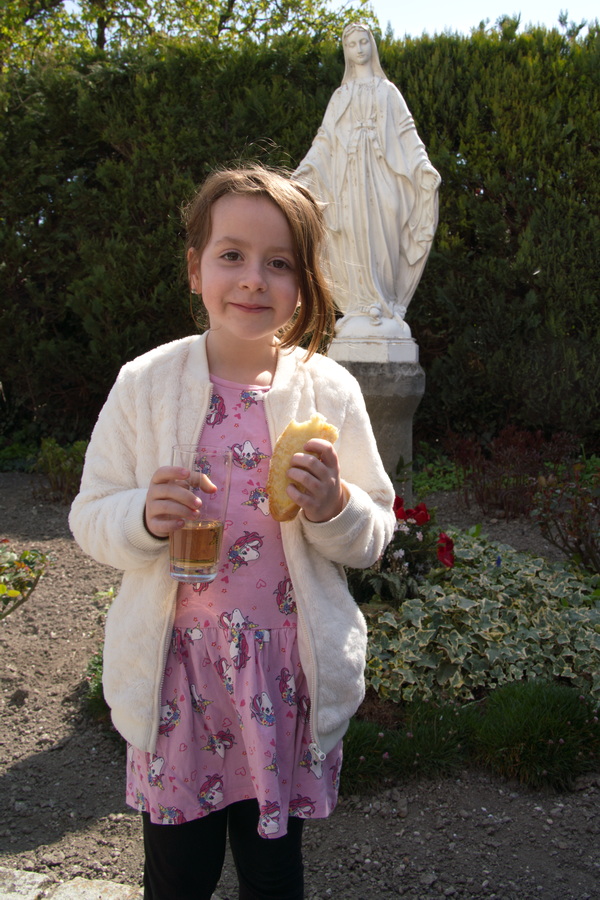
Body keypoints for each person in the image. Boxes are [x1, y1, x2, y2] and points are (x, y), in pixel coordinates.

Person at [69, 164, 395, 900]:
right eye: (232, 255)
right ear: (195, 269)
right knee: (177, 875)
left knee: (273, 873)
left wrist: (335, 506)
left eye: (279, 262)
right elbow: (90, 515)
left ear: (303, 283)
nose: (253, 278)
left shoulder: (330, 391)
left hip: (282, 680)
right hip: (177, 678)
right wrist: (141, 517)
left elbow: (375, 530)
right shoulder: (146, 383)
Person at [294, 23, 441, 335]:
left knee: (384, 233)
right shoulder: (340, 96)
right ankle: (359, 306)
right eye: (352, 44)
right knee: (352, 235)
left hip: (383, 176)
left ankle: (385, 303)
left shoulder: (388, 92)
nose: (359, 49)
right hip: (348, 180)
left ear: (372, 45)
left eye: (363, 42)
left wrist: (422, 166)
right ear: (346, 52)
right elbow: (324, 140)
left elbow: (407, 133)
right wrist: (306, 170)